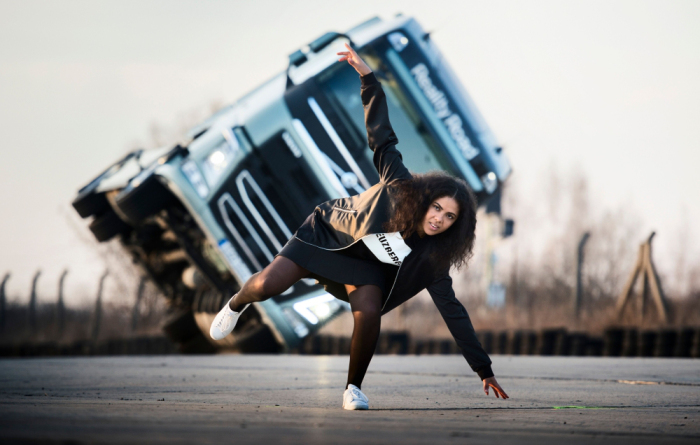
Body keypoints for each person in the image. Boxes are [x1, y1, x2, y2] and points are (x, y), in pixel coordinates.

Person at [210, 43, 509, 410]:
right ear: (427, 199)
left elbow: (453, 311)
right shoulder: (401, 188)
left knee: (367, 312)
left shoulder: (434, 257)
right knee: (265, 285)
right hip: (331, 237)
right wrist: (369, 79)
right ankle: (237, 304)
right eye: (437, 209)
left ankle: (353, 388)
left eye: (450, 218)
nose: (439, 220)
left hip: (365, 269)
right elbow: (382, 135)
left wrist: (483, 369)